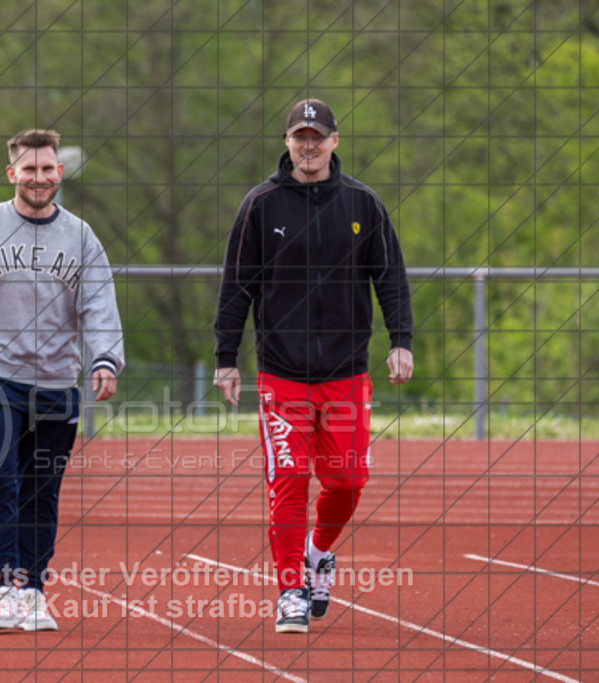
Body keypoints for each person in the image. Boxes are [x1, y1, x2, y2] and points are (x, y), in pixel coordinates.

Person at [213, 98, 413, 634]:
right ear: (286, 141)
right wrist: (225, 358)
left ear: (334, 141)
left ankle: (318, 551)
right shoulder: (261, 204)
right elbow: (237, 285)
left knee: (347, 481)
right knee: (289, 478)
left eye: (317, 136)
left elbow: (389, 276)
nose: (308, 145)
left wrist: (402, 340)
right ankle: (290, 591)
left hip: (346, 372)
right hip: (281, 372)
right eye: (299, 136)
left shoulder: (362, 204)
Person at [0, 129, 124, 632]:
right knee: (0, 476)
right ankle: (0, 590)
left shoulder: (81, 237)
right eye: (30, 170)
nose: (40, 177)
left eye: (48, 169)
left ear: (60, 172)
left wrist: (104, 360)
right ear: (12, 173)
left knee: (42, 487)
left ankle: (31, 589)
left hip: (57, 379)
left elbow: (99, 304)